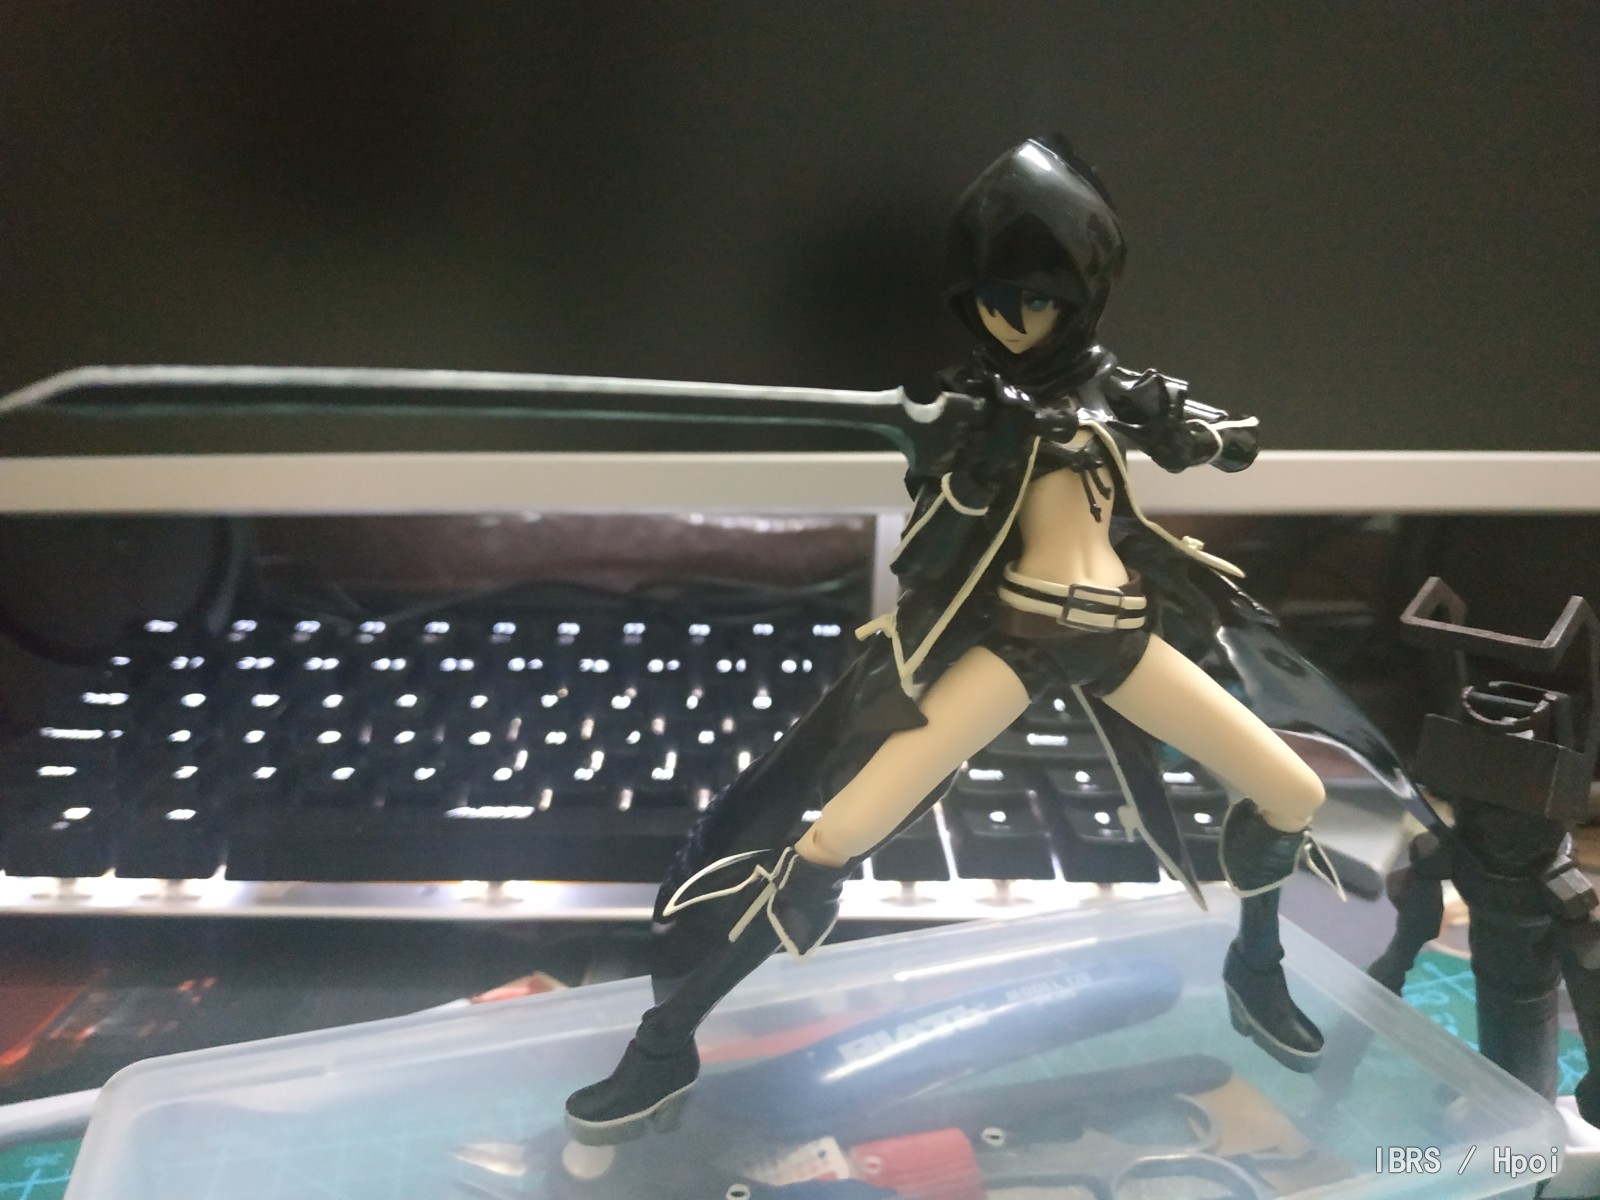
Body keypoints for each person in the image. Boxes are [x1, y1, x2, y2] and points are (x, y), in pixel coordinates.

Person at [565, 135, 1337, 1144]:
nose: (1011, 322)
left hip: (1120, 638)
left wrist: (1189, 427)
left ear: (1081, 297)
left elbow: (1233, 443)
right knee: (833, 837)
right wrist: (980, 459)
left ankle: (1256, 965)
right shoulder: (966, 409)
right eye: (992, 302)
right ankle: (663, 1045)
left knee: (1294, 793)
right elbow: (932, 548)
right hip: (1018, 642)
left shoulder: (1114, 387)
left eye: (1037, 301)